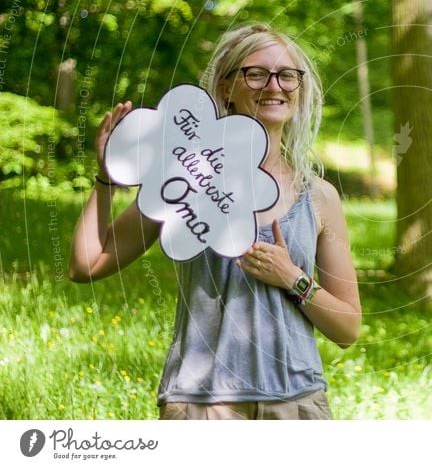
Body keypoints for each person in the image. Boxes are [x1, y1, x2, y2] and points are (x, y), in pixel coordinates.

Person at [68, 23, 361, 420]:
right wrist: (105, 179)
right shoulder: (184, 179)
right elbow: (86, 265)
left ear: (300, 88)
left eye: (287, 75)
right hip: (203, 403)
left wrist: (292, 277)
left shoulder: (319, 196)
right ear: (227, 88)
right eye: (256, 73)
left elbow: (347, 328)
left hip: (297, 402)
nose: (274, 85)